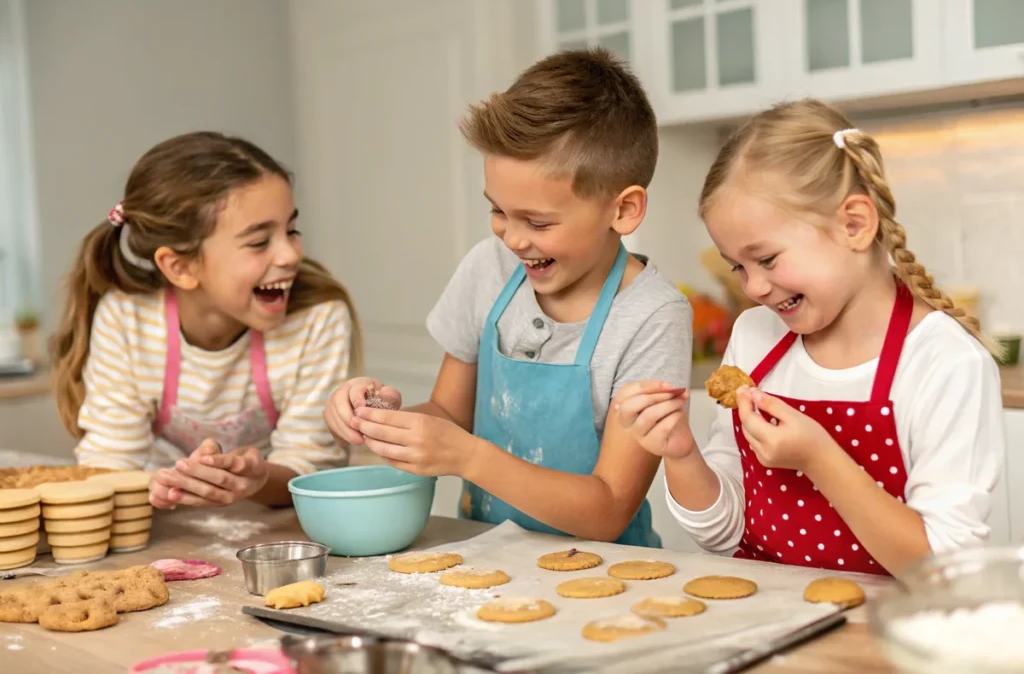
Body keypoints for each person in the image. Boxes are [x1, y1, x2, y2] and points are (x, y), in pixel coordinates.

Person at [616, 99, 1005, 575]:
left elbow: (946, 568)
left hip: (888, 634)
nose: (753, 288)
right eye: (738, 266)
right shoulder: (755, 337)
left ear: (855, 225)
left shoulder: (943, 360)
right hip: (770, 625)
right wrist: (681, 454)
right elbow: (725, 533)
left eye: (769, 260)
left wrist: (819, 459)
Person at [324, 48, 693, 547]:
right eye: (498, 211)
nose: (513, 239)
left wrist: (468, 457)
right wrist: (384, 420)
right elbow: (450, 415)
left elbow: (608, 509)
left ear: (623, 209)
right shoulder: (490, 268)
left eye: (537, 222)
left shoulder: (652, 316)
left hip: (609, 579)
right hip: (488, 560)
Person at [52, 132, 362, 509]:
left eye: (291, 230)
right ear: (180, 266)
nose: (290, 255)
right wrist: (160, 488)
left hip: (279, 522)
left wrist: (256, 479)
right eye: (259, 242)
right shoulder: (127, 321)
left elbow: (313, 468)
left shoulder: (316, 317)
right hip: (170, 524)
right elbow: (110, 467)